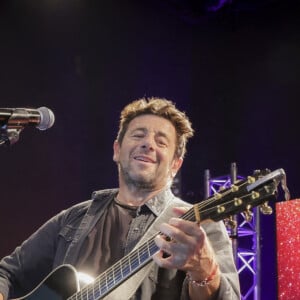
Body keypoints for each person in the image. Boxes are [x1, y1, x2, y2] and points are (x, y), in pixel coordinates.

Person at [0, 97, 240, 300]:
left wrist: (205, 272)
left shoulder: (197, 226)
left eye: (161, 142)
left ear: (176, 165)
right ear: (117, 150)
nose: (147, 144)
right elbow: (7, 273)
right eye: (138, 135)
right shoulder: (74, 219)